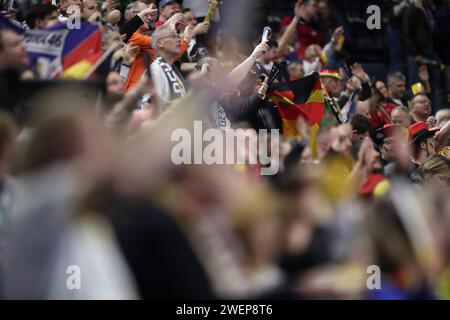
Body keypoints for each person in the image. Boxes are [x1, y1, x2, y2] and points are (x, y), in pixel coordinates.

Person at [149, 24, 187, 105]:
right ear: (160, 43)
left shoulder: (172, 69)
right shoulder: (155, 69)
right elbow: (149, 106)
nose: (179, 40)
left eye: (178, 36)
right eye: (173, 36)